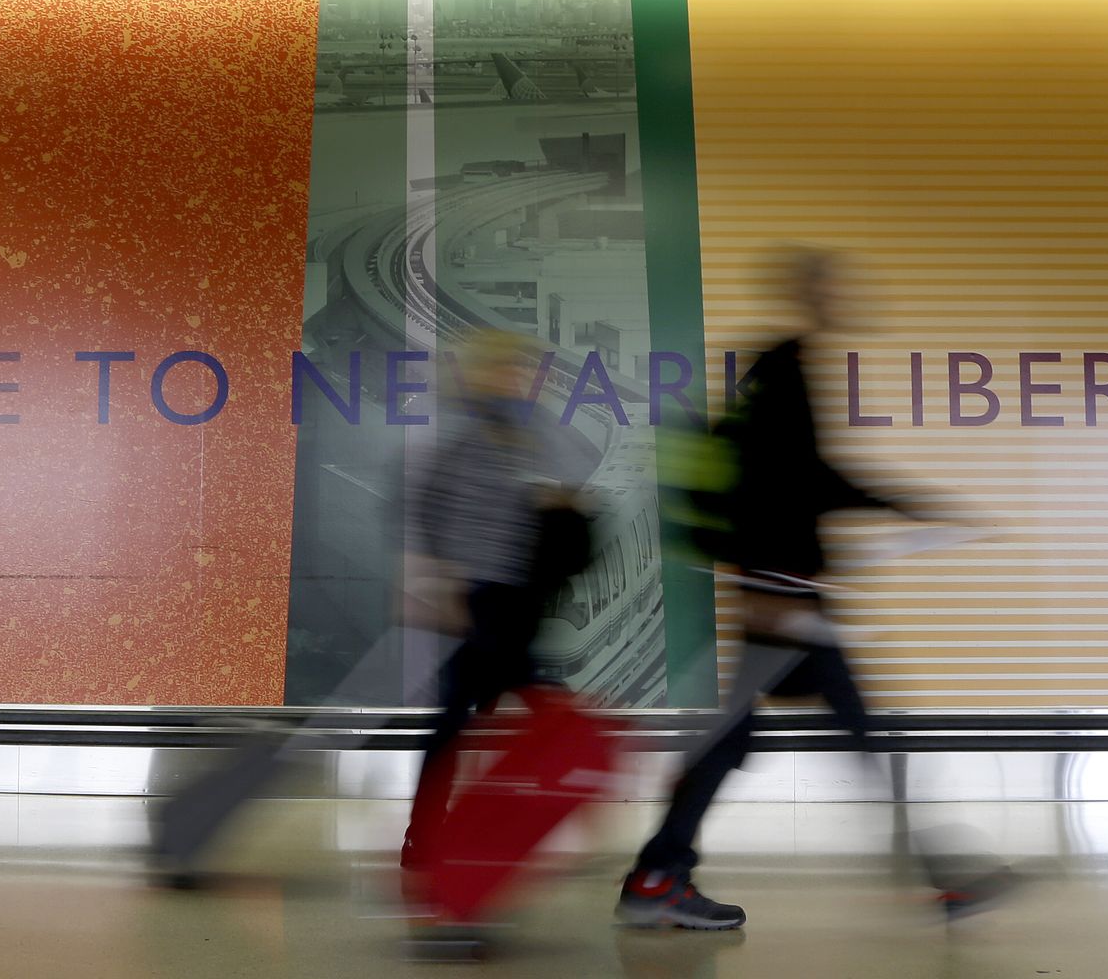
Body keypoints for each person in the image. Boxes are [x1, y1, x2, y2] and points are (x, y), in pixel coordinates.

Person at [616, 247, 1012, 930]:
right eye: (833, 283)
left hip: (785, 595)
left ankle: (656, 876)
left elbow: (806, 475)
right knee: (853, 733)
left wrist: (906, 505)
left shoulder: (787, 366)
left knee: (749, 741)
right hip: (783, 600)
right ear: (809, 291)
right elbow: (783, 482)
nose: (845, 293)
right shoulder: (784, 366)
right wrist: (904, 506)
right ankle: (944, 877)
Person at [400, 330, 584, 871]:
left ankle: (434, 834)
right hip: (486, 601)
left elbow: (552, 510)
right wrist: (450, 583)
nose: (518, 380)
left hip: (515, 601)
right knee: (507, 712)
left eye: (521, 371)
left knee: (463, 718)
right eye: (506, 370)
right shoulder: (471, 440)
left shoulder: (527, 437)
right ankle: (442, 834)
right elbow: (430, 509)